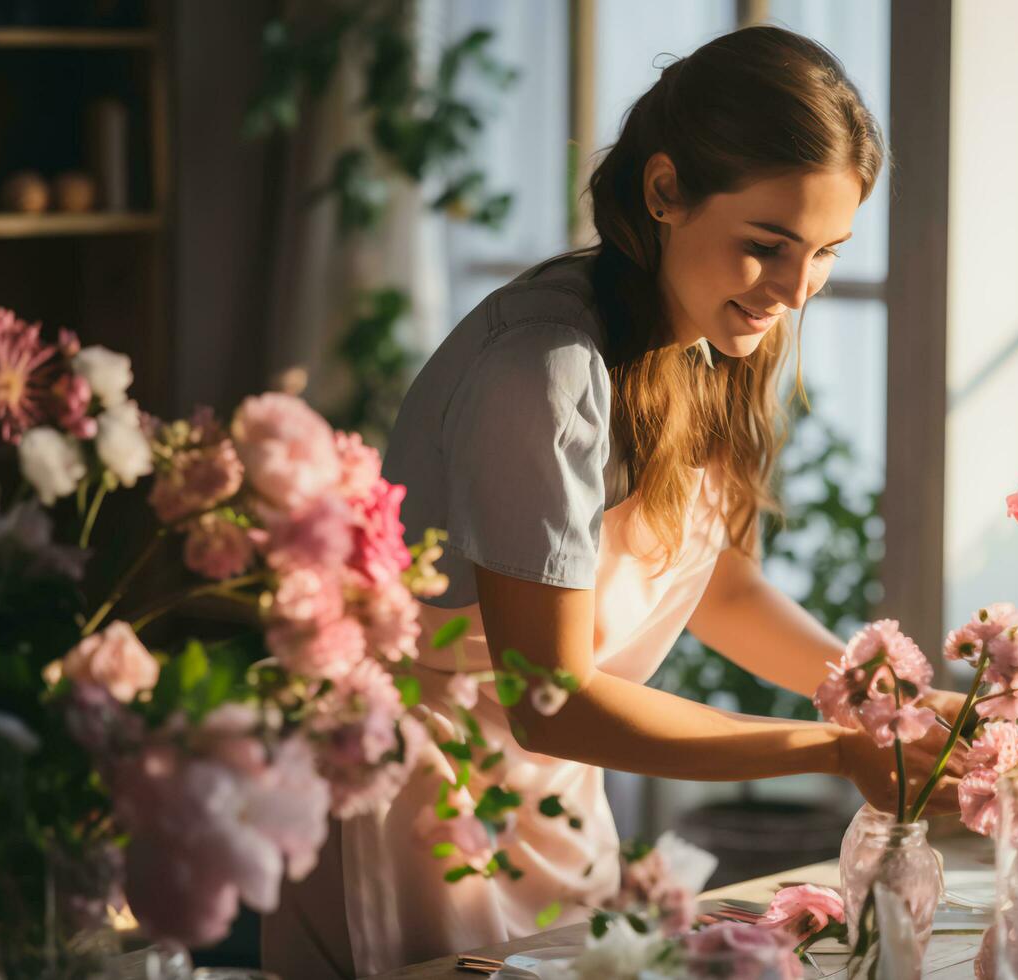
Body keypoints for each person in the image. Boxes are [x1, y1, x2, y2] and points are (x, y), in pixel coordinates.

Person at [263, 24, 964, 978]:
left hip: (554, 813)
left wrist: (899, 706)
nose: (797, 291)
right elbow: (549, 701)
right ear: (665, 191)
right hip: (423, 825)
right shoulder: (541, 373)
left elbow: (720, 590)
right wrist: (834, 750)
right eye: (768, 245)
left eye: (827, 251)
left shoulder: (709, 346)